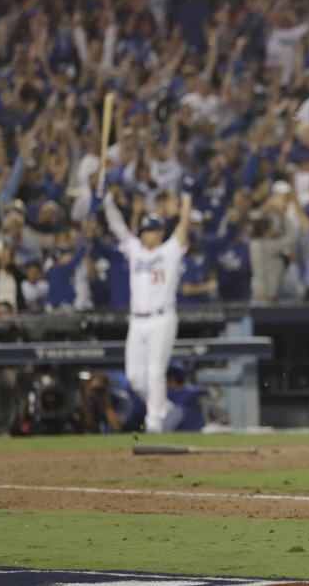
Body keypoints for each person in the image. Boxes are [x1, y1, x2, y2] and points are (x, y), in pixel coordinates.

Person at [103, 180, 192, 433]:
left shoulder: (169, 252)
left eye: (149, 231)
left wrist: (186, 198)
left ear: (160, 232)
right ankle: (164, 407)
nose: (143, 234)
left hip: (161, 318)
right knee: (135, 377)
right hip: (137, 320)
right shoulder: (137, 252)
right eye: (142, 231)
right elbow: (119, 227)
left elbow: (184, 228)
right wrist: (108, 202)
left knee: (155, 372)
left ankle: (155, 422)